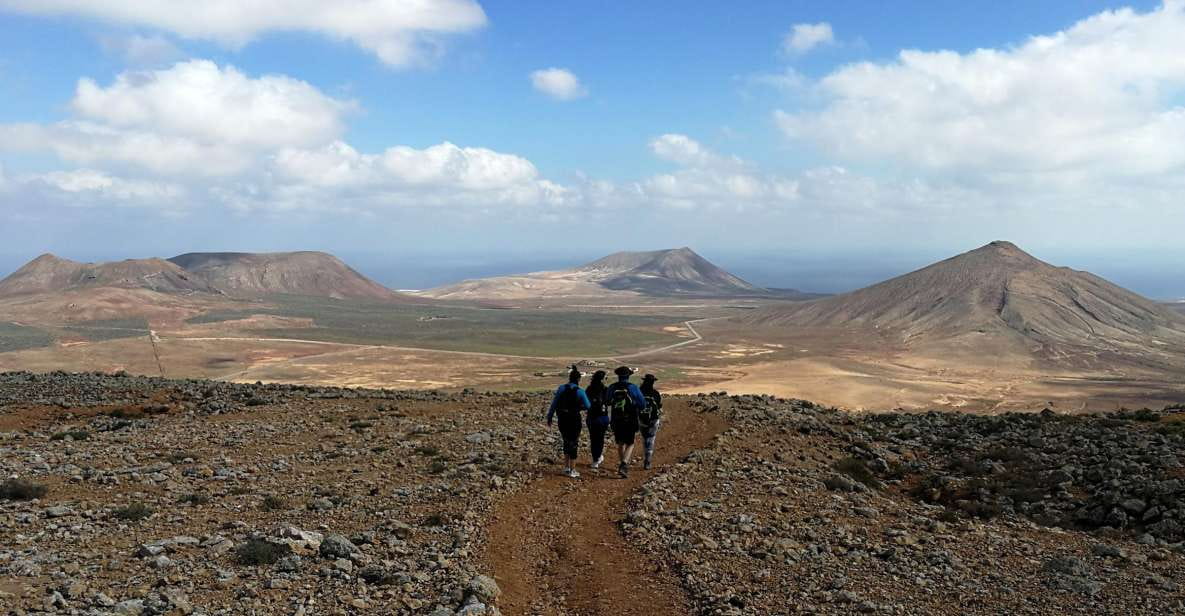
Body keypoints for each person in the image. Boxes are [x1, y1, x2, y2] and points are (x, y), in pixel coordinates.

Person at [546, 365, 591, 478]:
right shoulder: (580, 391)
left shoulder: (561, 388)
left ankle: (566, 468)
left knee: (566, 441)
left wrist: (550, 417)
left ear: (569, 378)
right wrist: (579, 408)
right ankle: (573, 469)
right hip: (574, 419)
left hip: (562, 418)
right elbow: (588, 405)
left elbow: (554, 403)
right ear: (578, 379)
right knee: (574, 442)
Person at [606, 365, 647, 478]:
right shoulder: (633, 388)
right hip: (630, 419)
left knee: (620, 442)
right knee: (630, 443)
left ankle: (622, 464)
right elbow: (642, 404)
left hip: (616, 419)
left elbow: (607, 401)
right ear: (628, 376)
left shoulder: (612, 387)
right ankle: (624, 464)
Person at [584, 370, 610, 468]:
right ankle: (597, 458)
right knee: (600, 438)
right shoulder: (606, 389)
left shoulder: (589, 389)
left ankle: (595, 458)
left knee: (593, 438)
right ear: (603, 379)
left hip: (591, 417)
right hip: (603, 417)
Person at [638, 374, 663, 470]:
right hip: (654, 419)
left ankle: (646, 458)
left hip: (642, 419)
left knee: (645, 439)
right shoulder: (655, 393)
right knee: (651, 439)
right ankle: (648, 460)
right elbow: (659, 406)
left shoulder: (640, 392)